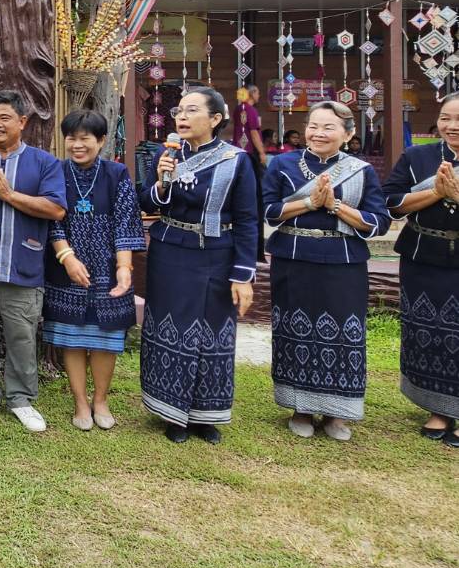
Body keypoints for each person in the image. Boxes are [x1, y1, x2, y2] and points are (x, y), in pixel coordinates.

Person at [263, 101, 389, 441]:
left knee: (342, 333)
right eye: (313, 126)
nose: (318, 133)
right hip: (294, 257)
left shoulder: (361, 171)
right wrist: (308, 203)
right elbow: (269, 210)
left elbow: (378, 221)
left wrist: (333, 205)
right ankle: (300, 407)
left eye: (328, 127)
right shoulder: (283, 165)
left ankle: (337, 413)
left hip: (343, 261)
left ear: (348, 134)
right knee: (296, 329)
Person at [140, 85, 259, 444]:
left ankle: (206, 414)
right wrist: (163, 181)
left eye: (192, 111)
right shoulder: (168, 155)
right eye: (179, 110)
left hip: (217, 255)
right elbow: (147, 200)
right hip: (171, 251)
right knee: (170, 326)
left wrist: (243, 275)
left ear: (216, 118)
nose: (182, 116)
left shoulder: (236, 160)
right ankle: (171, 411)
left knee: (211, 331)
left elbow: (248, 219)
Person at [0, 90, 68, 433]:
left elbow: (55, 208)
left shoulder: (43, 162)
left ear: (22, 122)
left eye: (4, 117)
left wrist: (9, 195)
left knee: (22, 337)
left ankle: (21, 400)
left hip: (23, 265)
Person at [43, 109, 144, 432]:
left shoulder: (117, 174)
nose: (77, 144)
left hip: (108, 269)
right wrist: (67, 258)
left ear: (101, 141)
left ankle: (100, 399)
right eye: (71, 138)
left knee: (105, 338)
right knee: (72, 337)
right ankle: (80, 403)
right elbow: (51, 221)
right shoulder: (56, 172)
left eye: (85, 138)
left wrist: (124, 268)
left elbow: (126, 221)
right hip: (66, 267)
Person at [383, 91, 459, 448]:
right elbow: (393, 204)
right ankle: (437, 409)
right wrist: (435, 193)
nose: (452, 126)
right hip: (421, 255)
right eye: (446, 118)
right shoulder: (418, 156)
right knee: (427, 329)